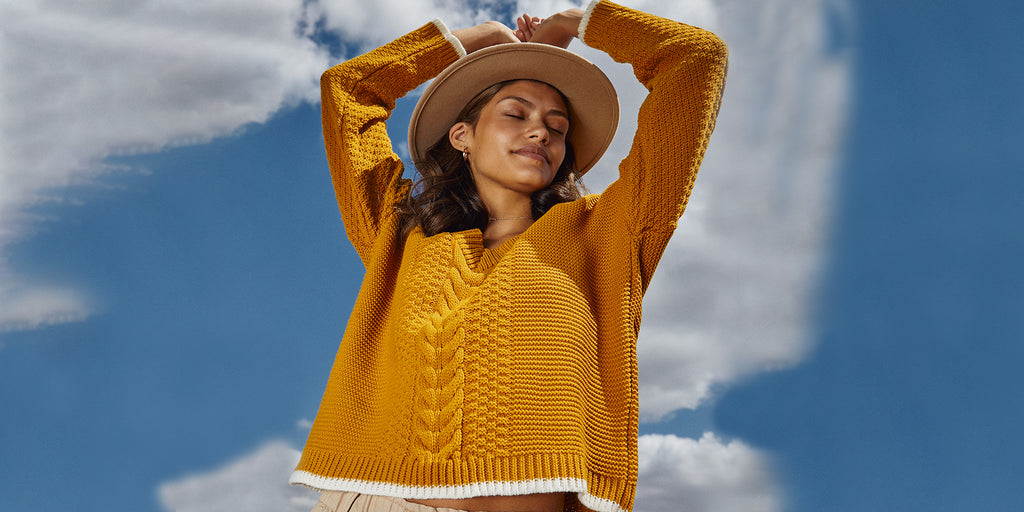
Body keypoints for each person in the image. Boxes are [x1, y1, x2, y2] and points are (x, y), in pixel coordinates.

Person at [290, 1, 728, 511]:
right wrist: (474, 40)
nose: (541, 131)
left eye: (557, 127)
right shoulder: (398, 232)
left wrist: (574, 24)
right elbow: (348, 89)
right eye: (516, 114)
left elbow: (697, 58)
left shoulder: (611, 232)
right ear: (462, 137)